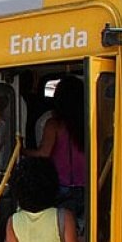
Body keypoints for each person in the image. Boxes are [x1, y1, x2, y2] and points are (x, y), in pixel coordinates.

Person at [24, 76, 86, 223]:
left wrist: (22, 150)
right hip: (87, 185)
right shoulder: (89, 123)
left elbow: (43, 153)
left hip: (62, 187)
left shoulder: (54, 124)